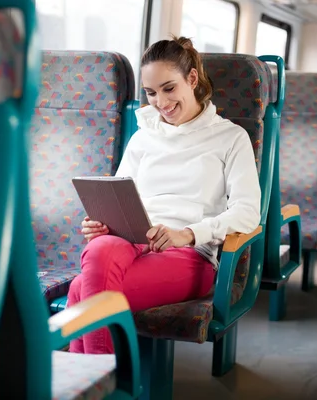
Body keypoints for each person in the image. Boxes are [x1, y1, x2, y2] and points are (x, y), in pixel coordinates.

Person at [67, 36, 262, 354]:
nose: (161, 102)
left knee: (81, 289)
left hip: (190, 254)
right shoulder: (144, 138)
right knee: (99, 249)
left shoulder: (230, 138)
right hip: (132, 240)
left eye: (169, 88)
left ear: (192, 79)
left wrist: (187, 234)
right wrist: (103, 224)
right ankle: (99, 382)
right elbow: (118, 196)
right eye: (151, 93)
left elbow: (247, 213)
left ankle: (94, 380)